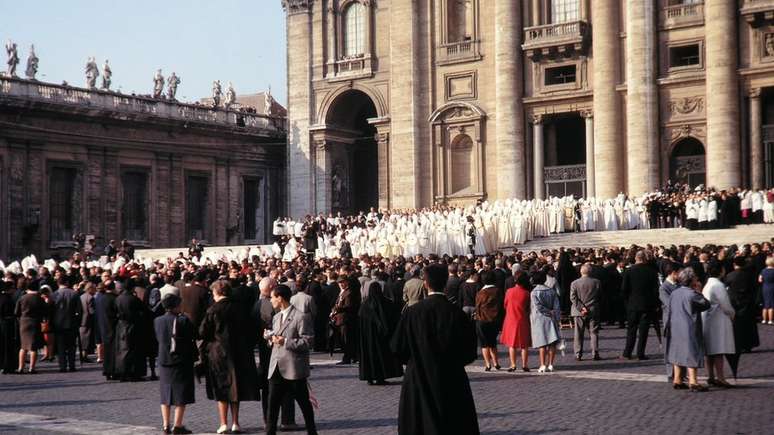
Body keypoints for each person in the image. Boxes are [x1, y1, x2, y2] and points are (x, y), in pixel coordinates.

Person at [391, 264, 479, 435]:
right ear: (445, 282)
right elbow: (469, 351)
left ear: (426, 283)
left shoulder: (412, 313)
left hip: (418, 375)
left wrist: (416, 358)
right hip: (452, 377)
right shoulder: (456, 313)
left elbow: (397, 346)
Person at [199, 280, 261, 434]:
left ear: (217, 293)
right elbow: (251, 329)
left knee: (221, 388)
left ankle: (223, 423)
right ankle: (235, 422)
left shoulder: (213, 309)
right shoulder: (240, 308)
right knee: (235, 388)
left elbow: (203, 332)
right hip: (239, 351)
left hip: (218, 352)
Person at [265, 284, 318, 435]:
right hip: (276, 366)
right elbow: (276, 338)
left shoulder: (300, 316)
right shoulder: (276, 317)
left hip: (293, 368)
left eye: (272, 297)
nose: (271, 300)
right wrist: (270, 338)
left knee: (304, 405)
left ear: (280, 298)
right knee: (272, 405)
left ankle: (312, 431)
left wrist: (286, 341)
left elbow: (308, 341)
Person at [155, 294, 196, 434]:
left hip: (164, 359)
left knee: (165, 394)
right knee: (180, 394)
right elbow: (192, 335)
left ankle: (166, 424)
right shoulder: (183, 321)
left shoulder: (157, 321)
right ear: (176, 306)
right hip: (180, 360)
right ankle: (177, 425)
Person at [666, 268, 711, 392]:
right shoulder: (692, 294)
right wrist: (699, 291)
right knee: (692, 351)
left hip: (675, 325)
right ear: (691, 281)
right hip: (689, 326)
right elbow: (706, 304)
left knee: (677, 351)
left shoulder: (675, 293)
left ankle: (677, 379)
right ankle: (693, 381)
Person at [358, 280, 403, 385]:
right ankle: (380, 377)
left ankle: (369, 377)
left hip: (368, 338)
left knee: (369, 355)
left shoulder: (364, 306)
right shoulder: (386, 303)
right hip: (382, 338)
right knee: (381, 355)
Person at [701, 263, 735, 388]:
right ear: (720, 271)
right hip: (718, 320)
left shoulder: (708, 284)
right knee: (718, 350)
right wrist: (732, 314)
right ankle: (720, 377)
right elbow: (726, 305)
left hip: (708, 319)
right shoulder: (718, 285)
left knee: (709, 351)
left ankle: (710, 376)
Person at [621, 250, 660, 360]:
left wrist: (627, 302)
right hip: (647, 305)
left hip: (632, 304)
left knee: (631, 330)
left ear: (636, 258)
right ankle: (640, 353)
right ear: (645, 259)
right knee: (644, 330)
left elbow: (624, 289)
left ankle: (627, 352)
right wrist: (655, 304)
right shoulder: (651, 272)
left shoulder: (628, 271)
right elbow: (655, 290)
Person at [724, 256, 760, 353]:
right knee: (749, 324)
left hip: (735, 302)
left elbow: (726, 286)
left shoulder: (731, 275)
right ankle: (748, 344)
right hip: (748, 302)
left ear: (734, 264)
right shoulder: (749, 275)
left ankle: (738, 344)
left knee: (737, 325)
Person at [529, 270, 561, 373]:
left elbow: (538, 306)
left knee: (542, 343)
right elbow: (557, 306)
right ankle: (551, 364)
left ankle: (542, 364)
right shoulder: (551, 291)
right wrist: (554, 314)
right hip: (551, 318)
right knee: (552, 342)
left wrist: (547, 311)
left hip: (540, 319)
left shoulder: (534, 292)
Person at [500, 271, 532, 372]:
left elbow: (505, 305)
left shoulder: (509, 291)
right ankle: (524, 364)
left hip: (510, 319)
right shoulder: (527, 293)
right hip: (522, 319)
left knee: (512, 344)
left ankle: (513, 364)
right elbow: (528, 308)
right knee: (524, 345)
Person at [570, 263, 601, 361]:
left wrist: (581, 308)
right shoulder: (597, 282)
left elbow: (573, 297)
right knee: (594, 332)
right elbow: (600, 296)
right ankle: (595, 352)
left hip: (579, 311)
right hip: (593, 309)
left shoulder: (574, 283)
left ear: (581, 272)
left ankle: (578, 353)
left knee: (578, 333)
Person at [51, 276, 82, 372]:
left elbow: (51, 310)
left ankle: (62, 366)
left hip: (58, 323)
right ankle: (72, 365)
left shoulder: (54, 295)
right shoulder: (74, 294)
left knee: (61, 346)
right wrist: (78, 321)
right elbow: (79, 310)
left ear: (58, 283)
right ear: (67, 283)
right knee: (72, 346)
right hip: (72, 322)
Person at [14, 280, 46, 374]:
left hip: (23, 321)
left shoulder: (22, 298)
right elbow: (44, 311)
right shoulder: (39, 298)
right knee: (33, 347)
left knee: (23, 346)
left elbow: (16, 312)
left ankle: (20, 367)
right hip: (35, 321)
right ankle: (32, 368)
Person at [475, 271, 501, 371]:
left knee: (484, 344)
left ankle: (487, 364)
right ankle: (496, 362)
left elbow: (477, 306)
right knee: (493, 342)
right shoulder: (497, 291)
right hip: (494, 319)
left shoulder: (480, 292)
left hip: (482, 320)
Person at [331, 275, 358, 364]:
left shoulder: (349, 292)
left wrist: (338, 308)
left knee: (346, 339)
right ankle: (352, 356)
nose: (341, 284)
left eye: (342, 282)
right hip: (340, 318)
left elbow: (349, 306)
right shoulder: (342, 292)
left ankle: (348, 357)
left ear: (347, 282)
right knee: (345, 338)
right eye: (339, 283)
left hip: (345, 318)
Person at [759, 256, 774, 325]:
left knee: (765, 304)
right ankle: (770, 320)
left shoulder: (763, 270)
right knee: (771, 304)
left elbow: (760, 280)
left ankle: (764, 320)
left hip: (765, 287)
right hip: (772, 287)